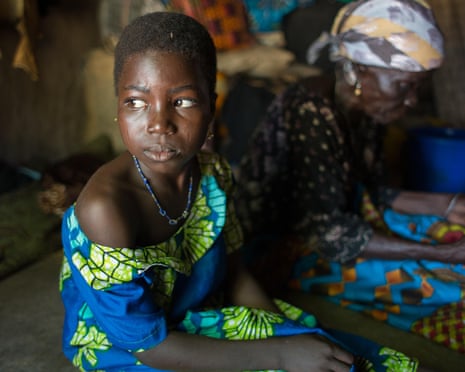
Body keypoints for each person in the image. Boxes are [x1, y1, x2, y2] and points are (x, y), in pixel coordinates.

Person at [58, 10, 427, 372]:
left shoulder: (213, 175)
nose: (158, 124)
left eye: (183, 101)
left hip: (199, 316)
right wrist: (280, 355)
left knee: (340, 357)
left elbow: (234, 274)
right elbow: (149, 346)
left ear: (211, 106)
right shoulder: (107, 209)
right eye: (136, 102)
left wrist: (283, 334)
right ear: (118, 108)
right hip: (134, 349)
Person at [235, 0, 465, 354]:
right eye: (404, 85)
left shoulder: (367, 107)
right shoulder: (311, 108)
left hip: (344, 224)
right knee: (438, 282)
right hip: (284, 246)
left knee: (451, 233)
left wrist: (449, 205)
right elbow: (323, 231)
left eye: (418, 87)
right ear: (359, 70)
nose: (412, 101)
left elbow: (372, 193)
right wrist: (440, 254)